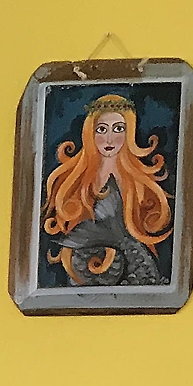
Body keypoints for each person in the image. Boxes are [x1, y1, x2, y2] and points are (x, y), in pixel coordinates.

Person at [42, 93, 171, 286]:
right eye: (101, 129)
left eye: (118, 129)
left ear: (129, 133)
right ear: (90, 133)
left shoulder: (139, 181)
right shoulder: (74, 181)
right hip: (85, 270)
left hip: (130, 269)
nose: (109, 139)